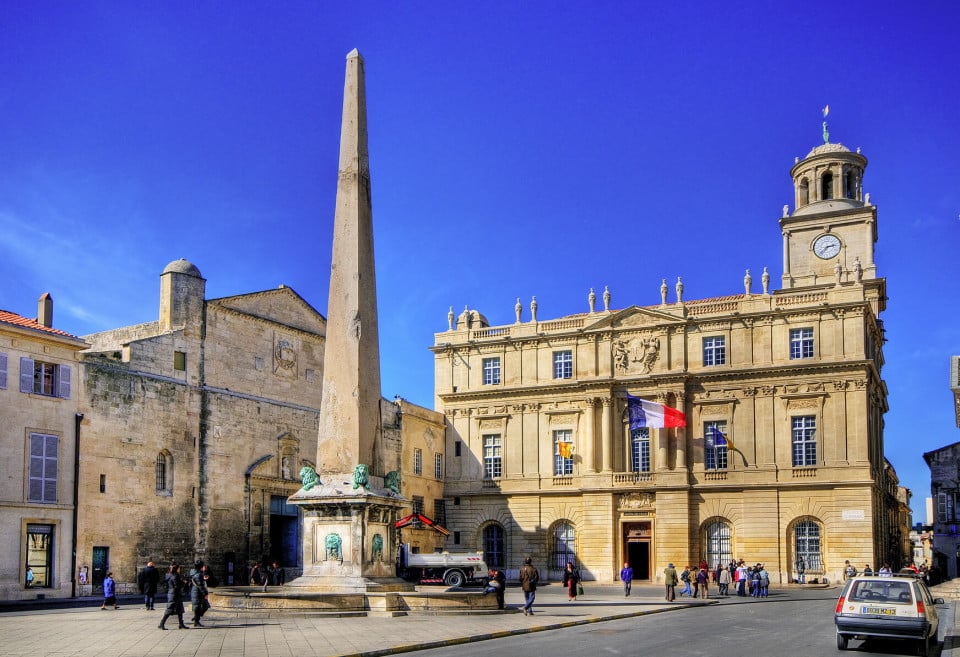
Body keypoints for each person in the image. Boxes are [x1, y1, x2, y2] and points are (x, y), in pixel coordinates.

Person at [159, 563, 189, 630]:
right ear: (177, 569)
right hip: (174, 594)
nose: (180, 569)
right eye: (179, 568)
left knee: (179, 610)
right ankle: (161, 623)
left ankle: (181, 624)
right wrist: (183, 582)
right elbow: (177, 586)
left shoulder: (169, 575)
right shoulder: (175, 576)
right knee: (169, 610)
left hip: (173, 594)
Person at [189, 560, 210, 627]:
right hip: (197, 592)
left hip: (196, 592)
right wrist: (205, 594)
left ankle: (196, 619)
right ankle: (196, 621)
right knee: (199, 607)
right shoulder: (198, 574)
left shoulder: (196, 573)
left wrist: (203, 578)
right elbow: (200, 585)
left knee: (202, 606)